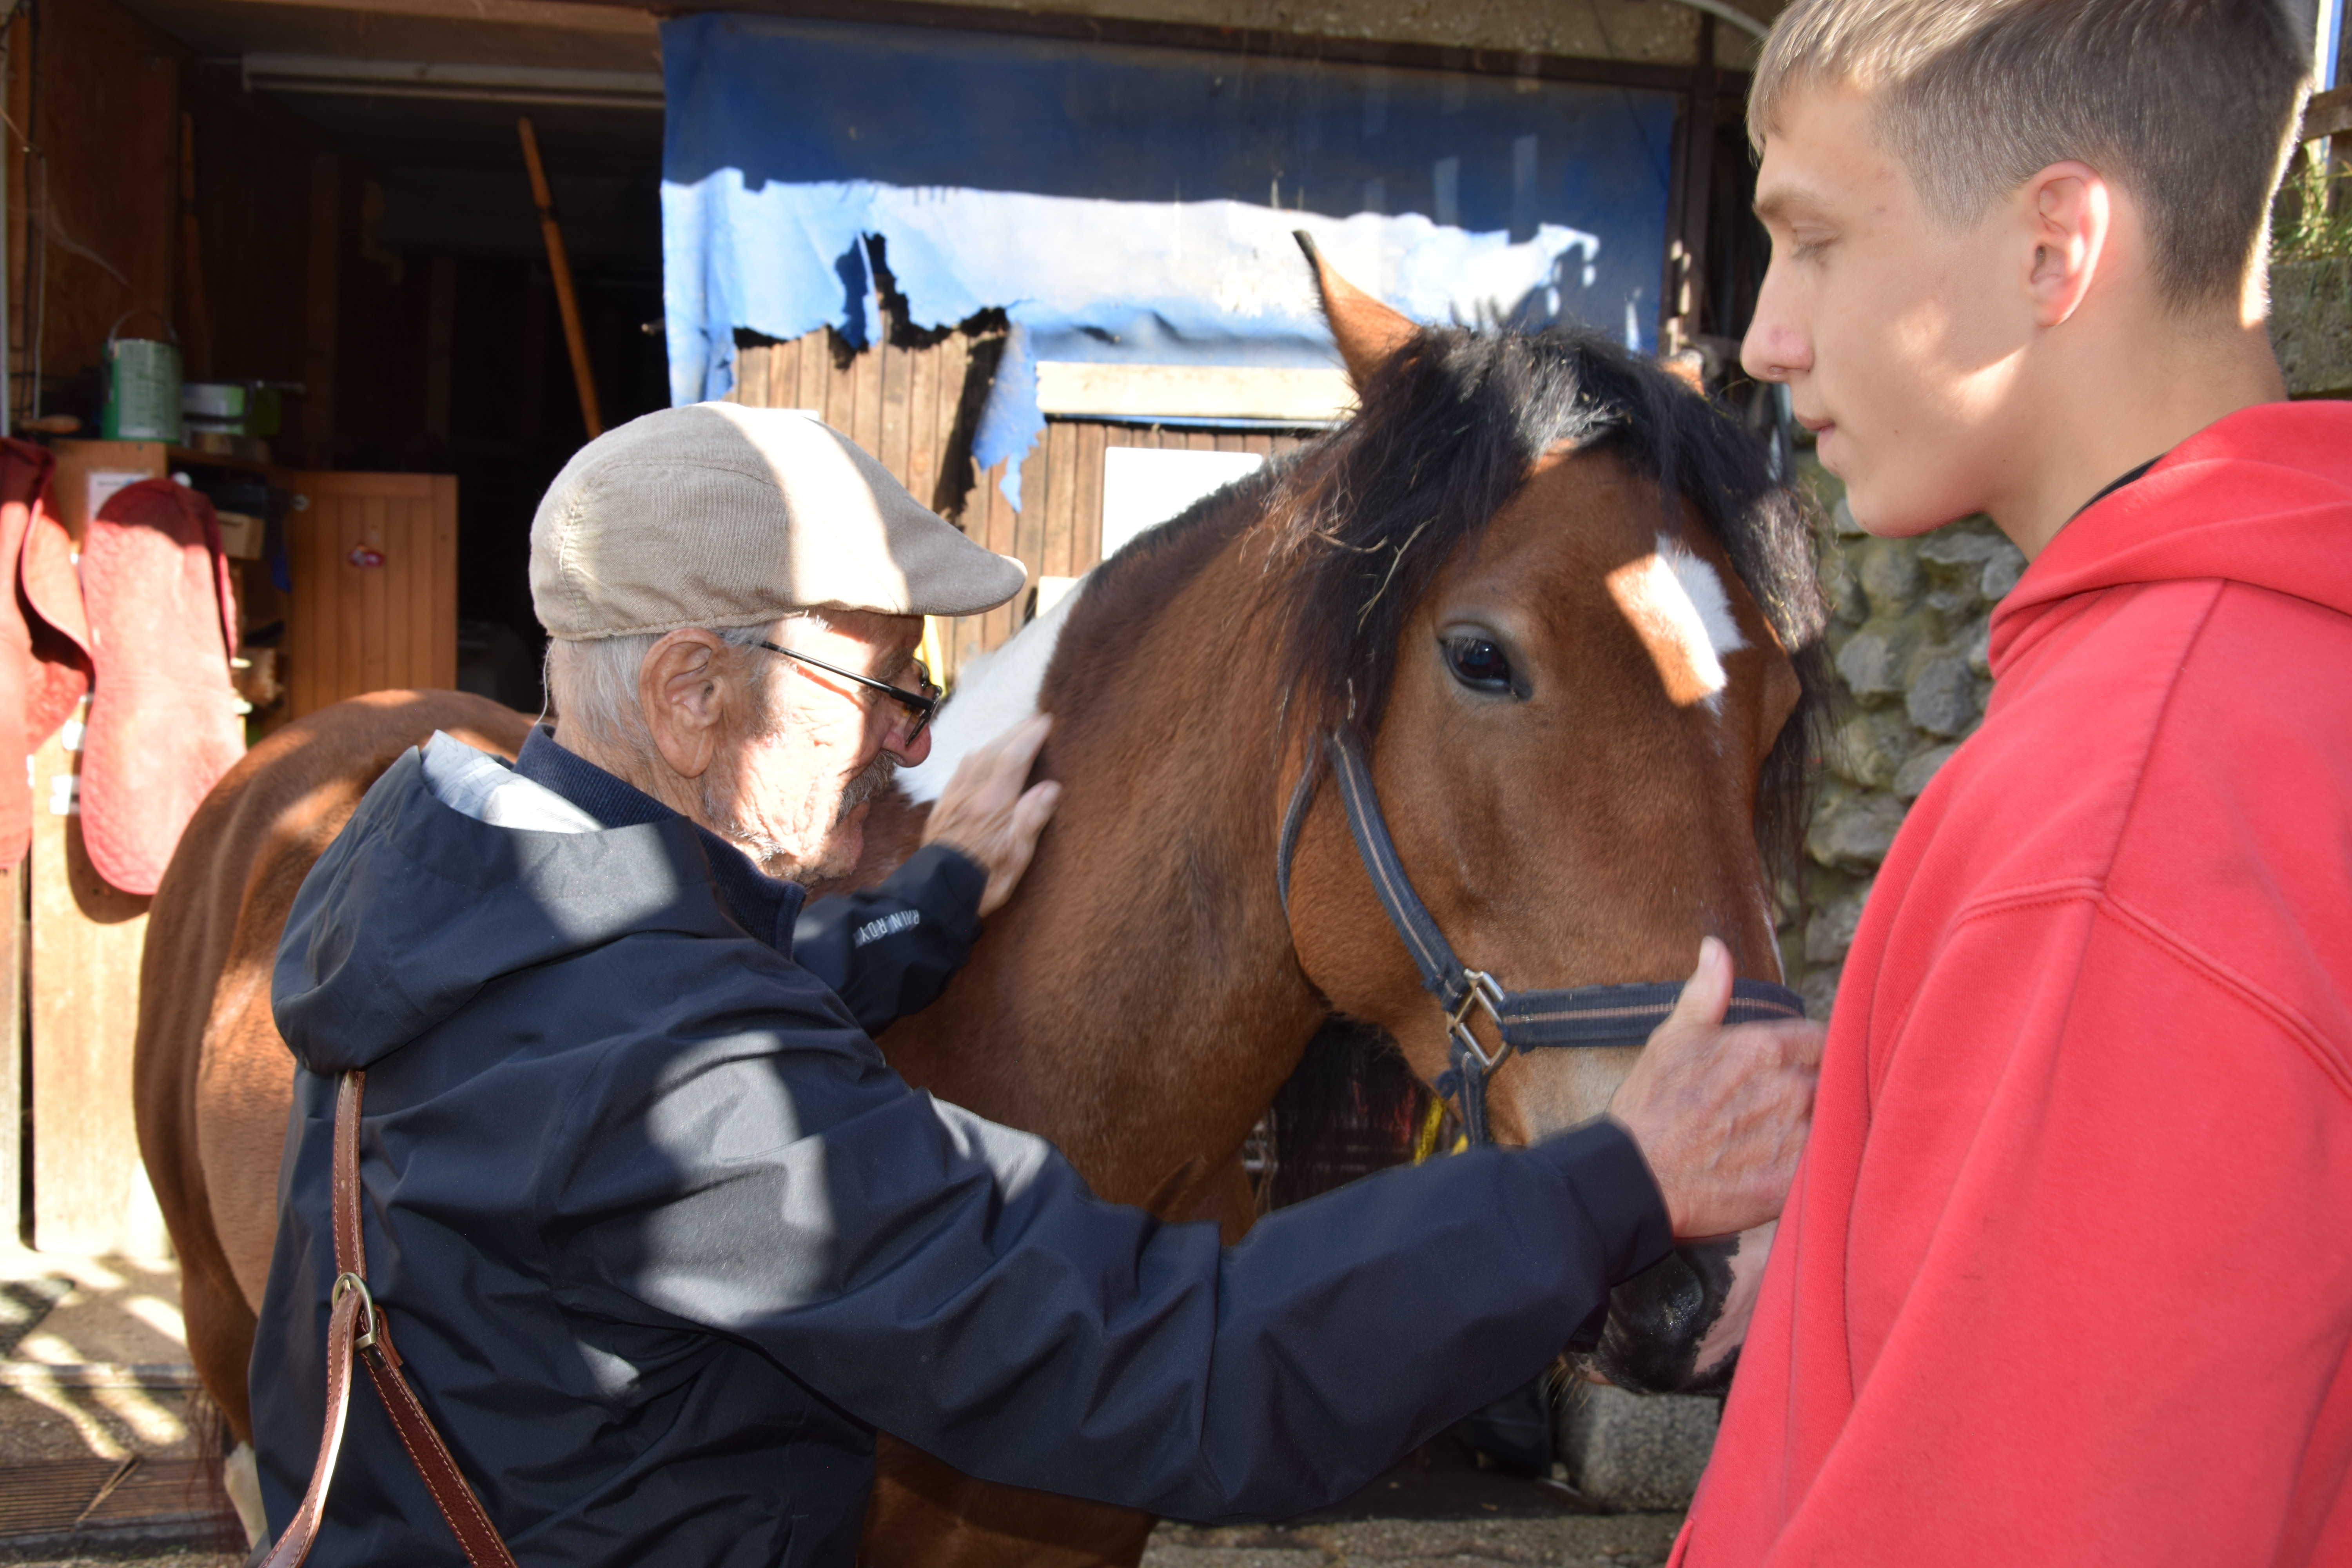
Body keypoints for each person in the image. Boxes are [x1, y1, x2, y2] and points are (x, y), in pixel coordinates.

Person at [248, 403, 1824, 1566]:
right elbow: (1163, 1358)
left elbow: (671, 998)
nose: (913, 737)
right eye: (877, 681)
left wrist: (921, 909)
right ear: (689, 692)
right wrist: (1609, 1186)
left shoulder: (442, 904)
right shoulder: (688, 1102)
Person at [1678, 2, 2352, 1563]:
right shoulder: (2258, 690)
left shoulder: (2132, 817)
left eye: (1817, 239)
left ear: (2057, 247)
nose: (1768, 334)